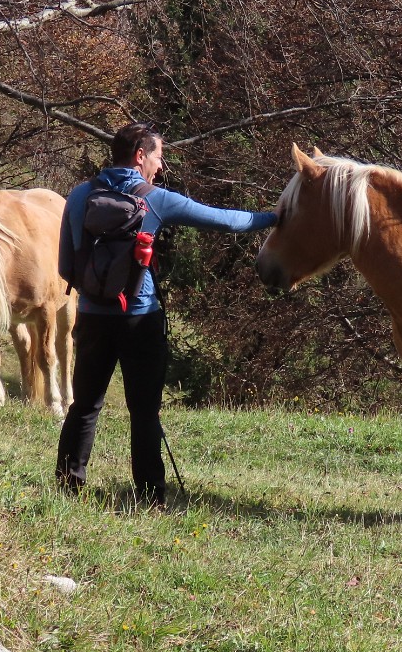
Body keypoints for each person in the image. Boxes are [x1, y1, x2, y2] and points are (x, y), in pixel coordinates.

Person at [55, 122, 277, 506]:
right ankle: (149, 497)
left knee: (86, 404)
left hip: (92, 319)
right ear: (140, 155)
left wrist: (96, 291)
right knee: (144, 410)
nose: (161, 166)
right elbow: (226, 220)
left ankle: (67, 487)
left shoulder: (78, 196)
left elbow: (65, 266)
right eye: (158, 156)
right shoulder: (156, 199)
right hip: (140, 321)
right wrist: (276, 217)